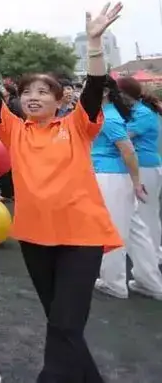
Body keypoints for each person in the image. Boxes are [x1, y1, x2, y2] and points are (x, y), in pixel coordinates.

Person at [0, 4, 123, 383]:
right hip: (36, 238)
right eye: (27, 92)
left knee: (66, 323)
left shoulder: (78, 126)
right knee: (60, 323)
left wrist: (94, 44)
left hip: (81, 238)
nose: (33, 97)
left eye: (43, 92)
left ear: (60, 100)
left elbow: (94, 88)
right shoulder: (14, 130)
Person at [88, 75, 147, 299]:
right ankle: (148, 279)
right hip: (113, 176)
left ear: (104, 92)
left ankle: (114, 282)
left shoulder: (109, 117)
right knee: (134, 230)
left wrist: (137, 182)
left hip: (110, 177)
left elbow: (128, 151)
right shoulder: (106, 113)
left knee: (112, 229)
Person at [117, 76, 162, 299]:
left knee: (146, 215)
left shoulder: (143, 113)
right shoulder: (137, 111)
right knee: (143, 214)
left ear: (125, 94)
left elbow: (124, 136)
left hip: (145, 167)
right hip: (141, 167)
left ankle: (153, 256)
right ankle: (151, 257)